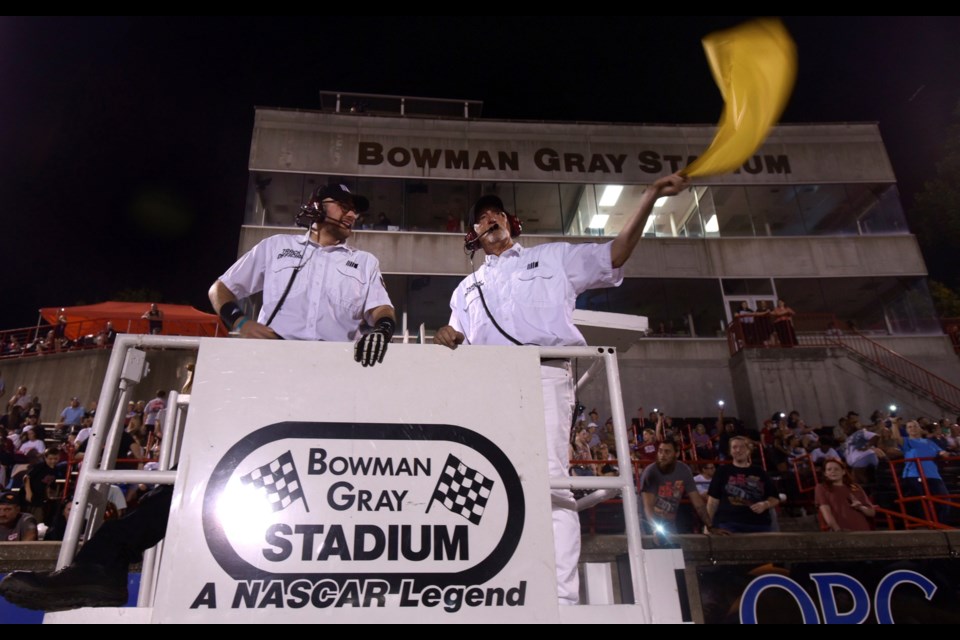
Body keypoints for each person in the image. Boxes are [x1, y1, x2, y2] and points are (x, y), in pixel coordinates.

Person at [0, 183, 397, 612]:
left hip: (327, 386)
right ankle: (101, 564)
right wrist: (240, 322)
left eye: (358, 209)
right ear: (318, 206)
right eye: (346, 205)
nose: (353, 215)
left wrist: (383, 328)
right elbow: (220, 290)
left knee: (328, 483)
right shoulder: (277, 248)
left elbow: (381, 308)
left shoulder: (364, 261)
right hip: (264, 375)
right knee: (202, 470)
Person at [434, 173, 687, 605]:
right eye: (480, 218)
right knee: (487, 480)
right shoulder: (465, 289)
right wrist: (445, 334)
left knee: (551, 482)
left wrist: (647, 198)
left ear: (512, 223)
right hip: (489, 386)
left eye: (496, 213)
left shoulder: (552, 258)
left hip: (545, 374)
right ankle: (497, 587)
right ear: (472, 235)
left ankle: (561, 600)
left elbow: (615, 254)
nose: (489, 219)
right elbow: (456, 338)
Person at [639, 440, 717, 536]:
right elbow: (648, 506)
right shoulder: (651, 472)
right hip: (648, 522)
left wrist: (710, 526)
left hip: (669, 522)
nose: (662, 455)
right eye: (660, 451)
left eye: (667, 452)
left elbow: (697, 501)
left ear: (677, 454)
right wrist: (654, 530)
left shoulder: (684, 470)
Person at [707, 436, 780, 533]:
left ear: (749, 450)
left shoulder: (760, 471)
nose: (738, 450)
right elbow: (712, 502)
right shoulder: (722, 471)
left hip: (759, 524)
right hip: (728, 524)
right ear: (730, 451)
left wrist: (765, 504)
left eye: (742, 447)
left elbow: (774, 498)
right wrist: (708, 526)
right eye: (734, 447)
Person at [890, 419, 951, 524]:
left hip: (933, 475)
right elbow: (896, 437)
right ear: (907, 430)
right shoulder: (906, 441)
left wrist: (943, 453)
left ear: (919, 428)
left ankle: (940, 524)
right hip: (914, 475)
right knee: (922, 502)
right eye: (910, 427)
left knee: (944, 500)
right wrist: (894, 423)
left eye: (915, 426)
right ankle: (926, 524)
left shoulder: (930, 442)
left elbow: (940, 451)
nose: (913, 428)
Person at [815, 458, 875, 532]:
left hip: (862, 528)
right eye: (829, 469)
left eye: (836, 469)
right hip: (842, 529)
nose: (833, 471)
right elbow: (826, 512)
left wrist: (860, 507)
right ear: (825, 473)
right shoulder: (821, 488)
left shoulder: (855, 487)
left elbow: (872, 513)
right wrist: (838, 530)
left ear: (843, 472)